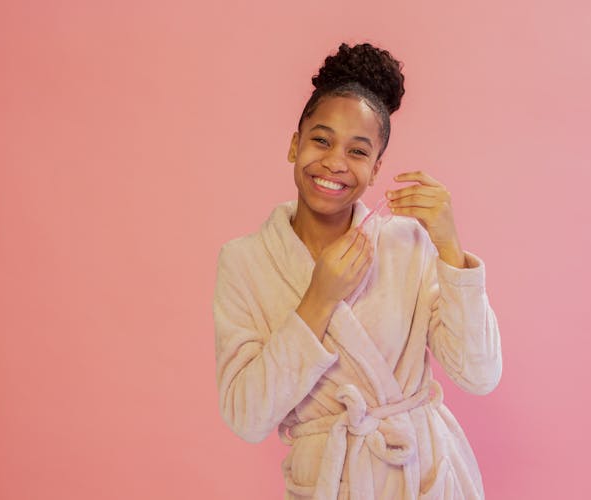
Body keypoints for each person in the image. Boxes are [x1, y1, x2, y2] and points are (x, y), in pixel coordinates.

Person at [213, 42, 502, 499]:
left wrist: (450, 248)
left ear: (376, 168)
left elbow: (479, 375)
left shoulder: (408, 243)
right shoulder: (245, 261)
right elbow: (246, 417)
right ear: (294, 144)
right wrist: (319, 299)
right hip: (331, 485)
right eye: (321, 140)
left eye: (358, 151)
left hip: (424, 478)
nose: (334, 163)